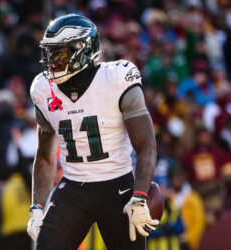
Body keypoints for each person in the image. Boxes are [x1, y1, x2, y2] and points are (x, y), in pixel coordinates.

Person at [27, 14, 159, 250]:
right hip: (73, 188)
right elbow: (46, 156)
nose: (52, 61)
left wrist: (139, 196)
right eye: (50, 52)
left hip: (118, 188)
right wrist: (37, 207)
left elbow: (146, 144)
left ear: (82, 50)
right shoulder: (42, 88)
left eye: (60, 53)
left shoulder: (117, 78)